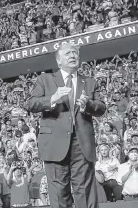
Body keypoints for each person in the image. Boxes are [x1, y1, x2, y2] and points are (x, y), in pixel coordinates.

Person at [26, 43, 106, 208]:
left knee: (84, 190)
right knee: (58, 192)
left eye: (75, 53)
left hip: (82, 143)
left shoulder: (89, 82)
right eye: (68, 53)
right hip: (54, 144)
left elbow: (102, 107)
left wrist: (88, 105)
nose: (73, 56)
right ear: (58, 60)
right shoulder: (45, 79)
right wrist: (52, 99)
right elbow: (30, 104)